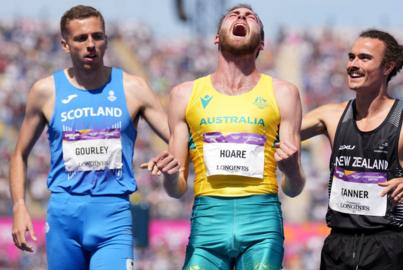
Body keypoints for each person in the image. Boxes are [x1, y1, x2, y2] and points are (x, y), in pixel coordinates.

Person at [9, 5, 177, 270]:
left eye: (97, 36)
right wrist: (19, 206)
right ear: (65, 45)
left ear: (106, 40)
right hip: (64, 216)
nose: (91, 44)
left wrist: (171, 158)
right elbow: (19, 154)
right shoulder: (45, 91)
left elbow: (176, 137)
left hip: (113, 216)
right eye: (81, 38)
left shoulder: (133, 88)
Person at [144, 4, 305, 269]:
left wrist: (293, 171)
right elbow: (176, 189)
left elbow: (294, 187)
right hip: (208, 222)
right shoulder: (184, 95)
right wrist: (171, 176)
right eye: (234, 15)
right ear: (216, 37)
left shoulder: (284, 93)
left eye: (250, 16)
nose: (242, 16)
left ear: (261, 43)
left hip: (261, 222)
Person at [301, 29, 403, 269]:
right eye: (351, 57)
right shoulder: (330, 116)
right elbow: (277, 133)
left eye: (364, 58)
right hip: (338, 246)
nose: (353, 64)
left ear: (387, 67)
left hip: (388, 246)